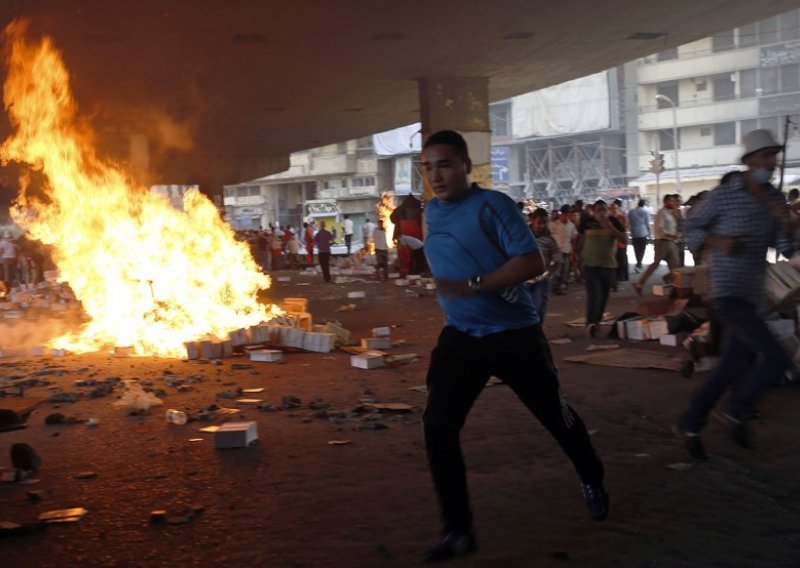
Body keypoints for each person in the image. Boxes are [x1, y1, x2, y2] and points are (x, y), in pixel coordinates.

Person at [420, 130, 608, 563]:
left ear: (466, 165)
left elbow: (532, 261)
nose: (437, 175)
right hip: (461, 336)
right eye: (428, 167)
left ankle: (591, 474)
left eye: (445, 164)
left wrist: (474, 285)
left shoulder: (494, 206)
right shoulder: (432, 210)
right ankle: (458, 528)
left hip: (513, 336)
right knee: (438, 426)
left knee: (555, 417)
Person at [677, 129, 795, 460]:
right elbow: (691, 228)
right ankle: (736, 412)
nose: (771, 163)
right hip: (727, 293)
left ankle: (691, 421)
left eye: (774, 156)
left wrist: (787, 226)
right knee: (776, 358)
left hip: (754, 295)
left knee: (732, 366)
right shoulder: (725, 195)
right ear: (748, 161)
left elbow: (785, 248)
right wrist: (719, 243)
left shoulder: (775, 199)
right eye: (765, 156)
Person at [576, 199, 627, 337]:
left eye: (604, 209)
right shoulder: (587, 223)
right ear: (594, 211)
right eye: (599, 210)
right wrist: (576, 256)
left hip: (609, 266)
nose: (602, 212)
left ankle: (596, 322)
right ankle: (591, 323)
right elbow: (580, 238)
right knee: (594, 295)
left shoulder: (614, 221)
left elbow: (624, 240)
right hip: (590, 265)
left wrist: (610, 227)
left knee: (604, 296)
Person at [633, 194, 680, 295]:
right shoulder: (661, 213)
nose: (673, 203)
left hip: (671, 242)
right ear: (665, 202)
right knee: (655, 264)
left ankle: (675, 288)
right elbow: (660, 229)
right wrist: (672, 236)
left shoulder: (671, 213)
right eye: (670, 201)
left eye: (674, 201)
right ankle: (639, 283)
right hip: (662, 242)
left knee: (675, 267)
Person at [526, 208, 561, 322]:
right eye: (539, 223)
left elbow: (557, 260)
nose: (542, 226)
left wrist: (548, 274)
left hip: (541, 280)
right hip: (523, 279)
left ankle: (536, 334)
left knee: (539, 309)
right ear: (532, 220)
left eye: (544, 223)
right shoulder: (523, 236)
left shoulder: (549, 240)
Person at [549, 204, 577, 295]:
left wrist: (573, 252)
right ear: (561, 214)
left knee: (565, 270)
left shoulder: (571, 226)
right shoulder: (554, 225)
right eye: (564, 215)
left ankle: (560, 286)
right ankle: (555, 287)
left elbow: (573, 239)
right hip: (556, 252)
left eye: (568, 215)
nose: (566, 217)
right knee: (557, 271)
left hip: (567, 251)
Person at [609, 199, 629, 288]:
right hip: (611, 245)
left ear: (618, 209)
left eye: (615, 208)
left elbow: (625, 230)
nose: (613, 210)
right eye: (612, 209)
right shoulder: (607, 219)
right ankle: (614, 280)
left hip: (620, 244)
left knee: (621, 261)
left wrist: (625, 241)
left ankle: (619, 278)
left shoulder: (622, 218)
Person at [628, 199, 651, 272]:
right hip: (643, 232)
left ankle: (638, 263)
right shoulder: (645, 212)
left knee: (636, 249)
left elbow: (629, 222)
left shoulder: (631, 211)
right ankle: (639, 263)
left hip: (634, 232)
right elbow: (647, 223)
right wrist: (649, 233)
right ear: (643, 204)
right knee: (642, 249)